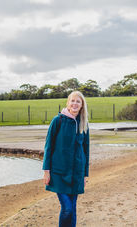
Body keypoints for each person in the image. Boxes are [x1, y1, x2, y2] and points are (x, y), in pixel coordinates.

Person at [42, 91, 90, 227]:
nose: (75, 104)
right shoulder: (58, 121)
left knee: (72, 209)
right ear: (68, 103)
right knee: (67, 209)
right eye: (72, 101)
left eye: (78, 101)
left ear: (82, 105)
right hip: (59, 173)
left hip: (77, 173)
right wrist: (46, 170)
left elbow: (86, 150)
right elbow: (48, 146)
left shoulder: (84, 124)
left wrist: (85, 174)